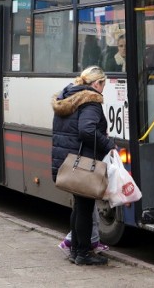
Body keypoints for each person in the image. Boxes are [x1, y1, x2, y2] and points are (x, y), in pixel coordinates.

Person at [51, 66, 116, 266]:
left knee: (79, 206)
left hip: (67, 161)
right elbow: (86, 131)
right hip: (83, 164)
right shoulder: (91, 101)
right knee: (85, 208)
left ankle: (75, 250)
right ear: (96, 83)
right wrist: (109, 145)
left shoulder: (67, 97)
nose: (103, 89)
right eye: (103, 84)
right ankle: (83, 253)